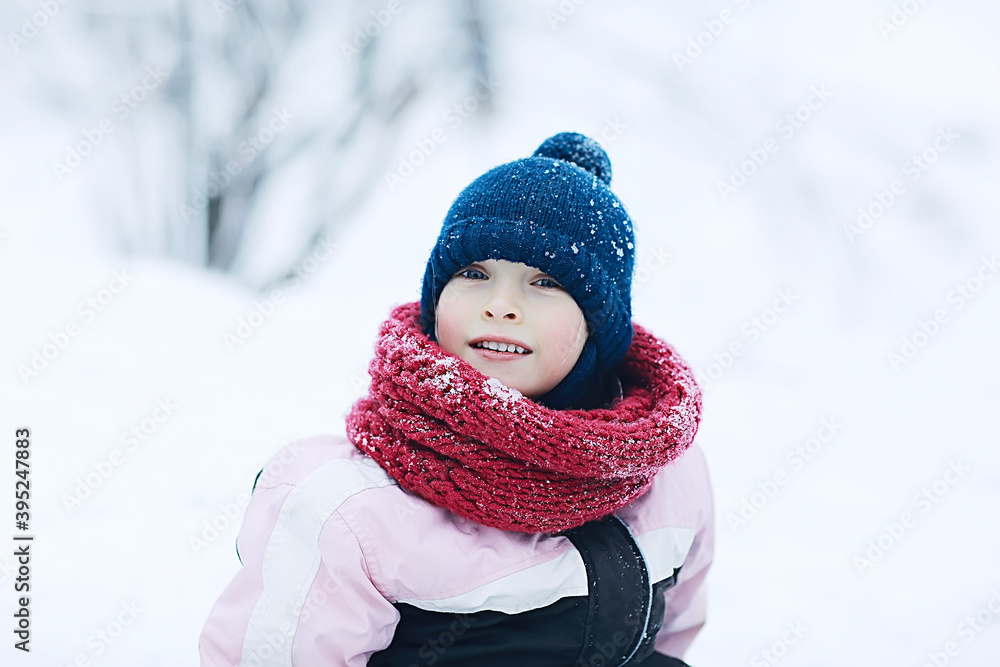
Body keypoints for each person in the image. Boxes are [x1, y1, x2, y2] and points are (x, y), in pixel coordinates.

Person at [198, 132, 714, 666]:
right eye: (473, 273)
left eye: (544, 282)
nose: (500, 305)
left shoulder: (666, 471)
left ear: (598, 327)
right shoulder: (346, 505)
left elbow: (671, 637)